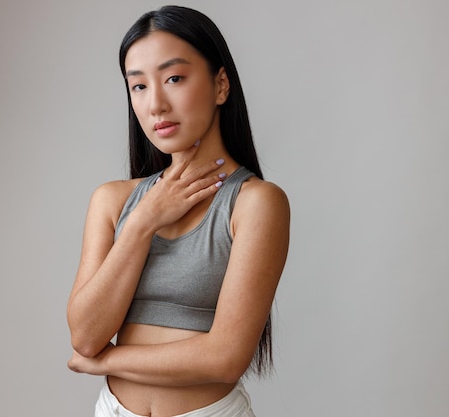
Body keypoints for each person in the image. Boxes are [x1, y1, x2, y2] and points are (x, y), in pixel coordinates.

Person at [67, 5, 290, 417]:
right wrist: (144, 220)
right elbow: (85, 335)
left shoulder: (256, 203)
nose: (156, 105)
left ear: (220, 85)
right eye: (138, 86)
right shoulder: (113, 200)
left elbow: (225, 358)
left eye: (174, 78)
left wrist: (108, 361)